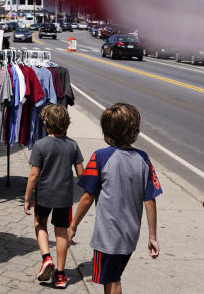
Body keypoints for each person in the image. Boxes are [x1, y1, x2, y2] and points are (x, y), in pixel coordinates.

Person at [68, 103, 161, 294]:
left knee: (112, 281)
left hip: (108, 236)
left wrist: (73, 225)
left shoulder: (100, 157)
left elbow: (87, 197)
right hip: (130, 236)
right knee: (113, 277)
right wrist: (152, 236)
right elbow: (150, 201)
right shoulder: (144, 159)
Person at [24, 104, 84, 289]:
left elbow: (34, 175)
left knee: (40, 224)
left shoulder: (40, 145)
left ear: (45, 124)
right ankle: (60, 275)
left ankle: (46, 258)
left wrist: (27, 198)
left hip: (44, 196)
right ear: (66, 124)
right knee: (61, 233)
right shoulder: (73, 145)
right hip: (65, 198)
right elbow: (81, 174)